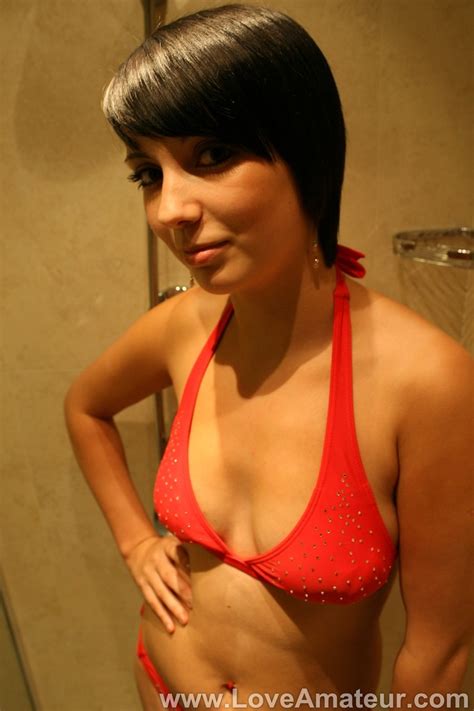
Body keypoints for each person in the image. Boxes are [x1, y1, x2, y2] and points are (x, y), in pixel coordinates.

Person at [64, 4, 473, 709]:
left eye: (211, 156)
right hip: (158, 684)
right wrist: (136, 543)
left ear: (305, 150)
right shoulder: (183, 325)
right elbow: (85, 406)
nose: (169, 210)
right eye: (148, 174)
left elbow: (438, 654)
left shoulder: (428, 381)